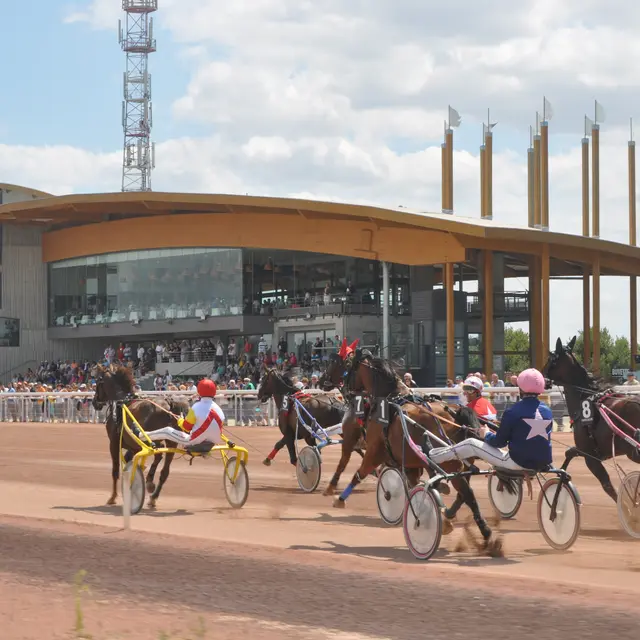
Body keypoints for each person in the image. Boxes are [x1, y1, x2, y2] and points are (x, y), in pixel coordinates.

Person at [427, 369, 553, 472]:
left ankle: (432, 456)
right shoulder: (547, 410)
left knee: (471, 443)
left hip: (517, 462)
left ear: (520, 388)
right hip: (544, 461)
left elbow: (499, 443)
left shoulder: (512, 411)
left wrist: (486, 434)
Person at [146, 379, 227, 448]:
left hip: (194, 441)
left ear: (199, 391)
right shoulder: (218, 409)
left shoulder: (196, 407)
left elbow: (186, 427)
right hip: (213, 442)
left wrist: (180, 420)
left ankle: (142, 436)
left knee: (166, 431)